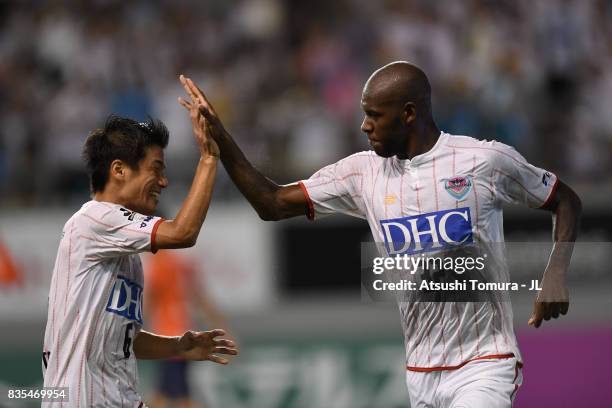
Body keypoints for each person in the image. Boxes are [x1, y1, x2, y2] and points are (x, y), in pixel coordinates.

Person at [179, 61, 582, 408]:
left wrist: (555, 273)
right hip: (420, 371)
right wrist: (221, 142)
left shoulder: (483, 161)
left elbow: (565, 200)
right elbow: (270, 203)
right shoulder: (361, 174)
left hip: (484, 361)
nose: (363, 125)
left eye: (374, 114)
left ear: (408, 113)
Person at [41, 75, 237, 407]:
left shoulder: (127, 253)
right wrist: (207, 158)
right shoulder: (94, 219)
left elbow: (122, 339)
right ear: (119, 170)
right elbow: (182, 233)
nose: (163, 180)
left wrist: (179, 346)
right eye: (155, 169)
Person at [145, 248, 234, 408]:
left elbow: (148, 302)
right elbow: (201, 298)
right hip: (185, 333)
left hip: (168, 338)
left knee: (181, 399)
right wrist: (221, 325)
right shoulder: (183, 263)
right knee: (162, 395)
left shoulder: (159, 264)